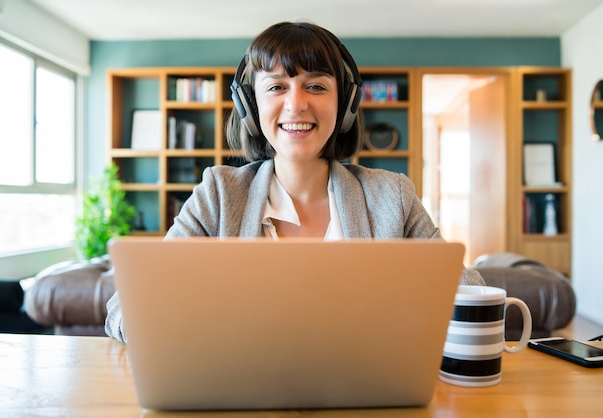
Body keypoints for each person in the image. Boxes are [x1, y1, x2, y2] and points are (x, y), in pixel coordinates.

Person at [105, 21, 484, 343]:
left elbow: (472, 296)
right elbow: (124, 308)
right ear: (251, 108)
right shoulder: (218, 195)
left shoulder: (392, 196)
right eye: (276, 87)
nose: (296, 104)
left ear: (346, 104)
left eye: (316, 86)